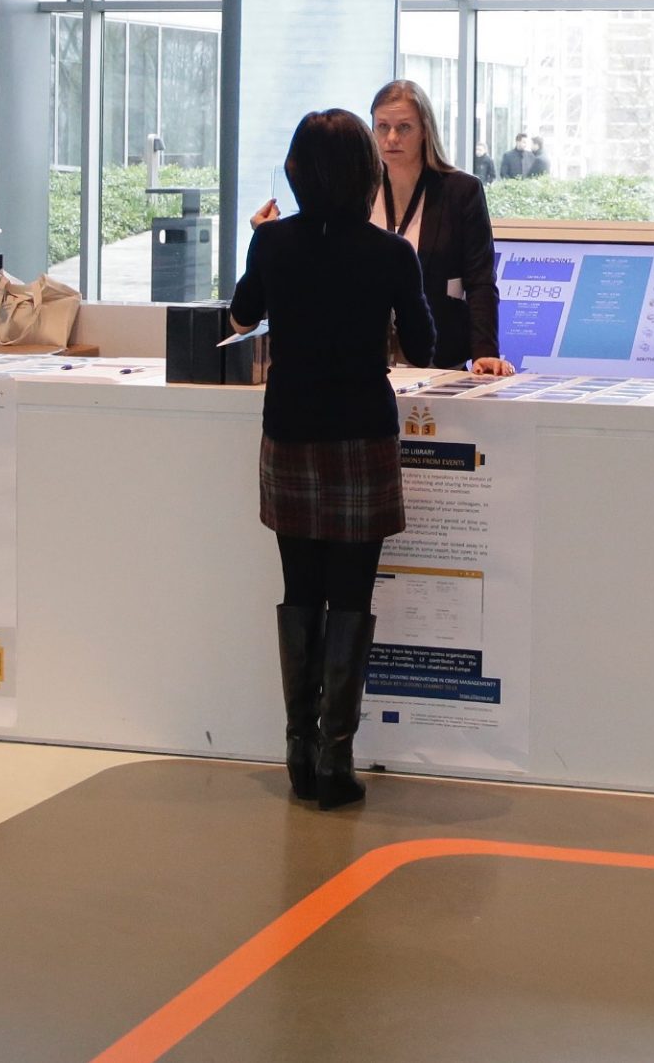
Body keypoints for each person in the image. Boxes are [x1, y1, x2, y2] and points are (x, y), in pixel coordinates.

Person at [229, 110, 435, 810]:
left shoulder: (272, 242)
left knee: (300, 588)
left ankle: (297, 751)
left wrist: (259, 245)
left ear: (295, 172)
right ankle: (334, 760)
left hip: (290, 433)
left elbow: (241, 317)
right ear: (365, 174)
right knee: (352, 594)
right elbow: (424, 346)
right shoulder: (390, 253)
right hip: (360, 436)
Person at [367, 79, 515, 378]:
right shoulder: (358, 190)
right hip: (368, 362)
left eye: (404, 127)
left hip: (439, 360)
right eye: (382, 127)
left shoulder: (461, 191)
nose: (391, 138)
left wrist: (485, 351)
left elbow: (480, 281)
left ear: (425, 130)